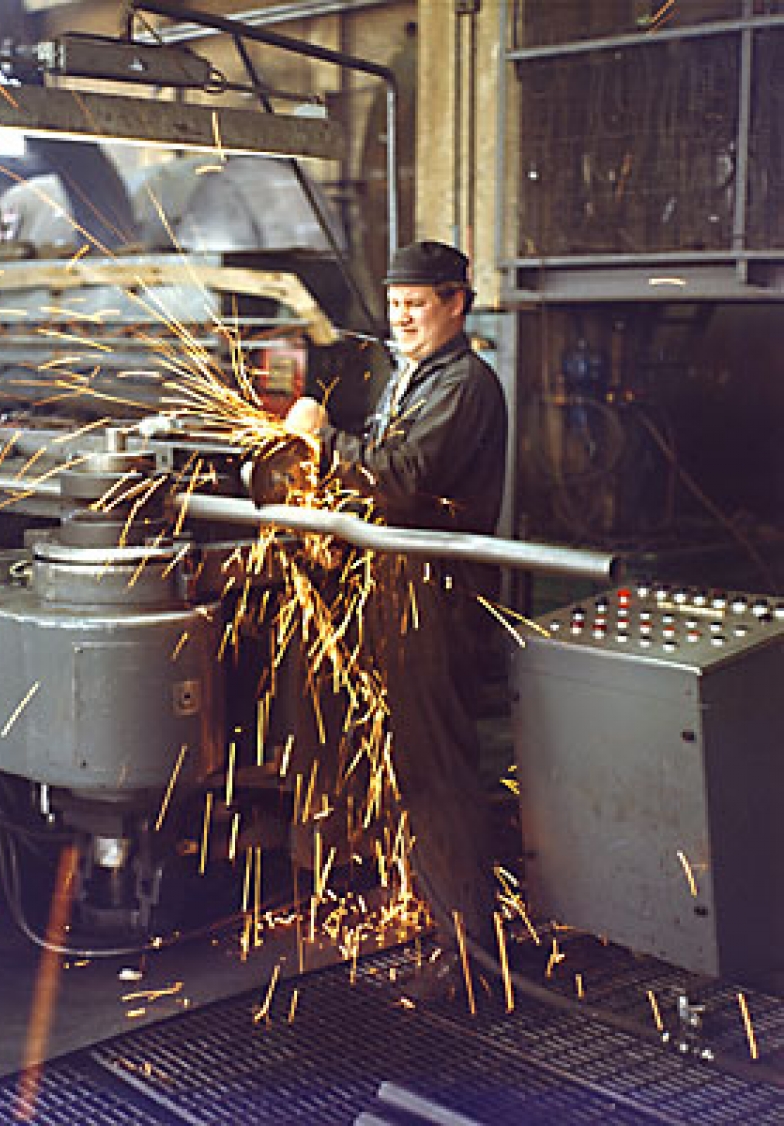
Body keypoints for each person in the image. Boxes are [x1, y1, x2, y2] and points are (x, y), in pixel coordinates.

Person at [285, 240, 508, 970]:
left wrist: (321, 442)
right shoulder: (413, 376)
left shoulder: (465, 384)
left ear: (456, 303)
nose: (402, 318)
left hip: (435, 601)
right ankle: (425, 914)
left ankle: (470, 954)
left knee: (436, 768)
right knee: (400, 762)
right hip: (395, 591)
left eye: (416, 305)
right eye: (395, 305)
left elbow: (403, 480)